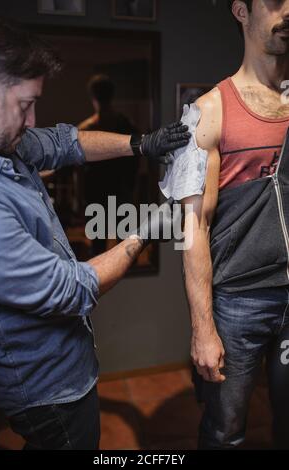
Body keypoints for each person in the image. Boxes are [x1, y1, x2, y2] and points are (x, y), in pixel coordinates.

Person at [0, 18, 190, 450]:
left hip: (63, 366)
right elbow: (72, 288)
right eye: (25, 104)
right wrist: (143, 232)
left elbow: (65, 143)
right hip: (47, 391)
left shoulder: (6, 142)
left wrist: (141, 142)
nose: (33, 119)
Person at [182, 0, 289, 449]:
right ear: (241, 11)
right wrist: (203, 327)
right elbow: (194, 228)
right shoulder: (210, 110)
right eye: (274, 1)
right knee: (225, 431)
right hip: (239, 303)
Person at [78, 74, 140, 255]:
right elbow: (135, 163)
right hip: (117, 192)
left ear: (93, 97)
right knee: (125, 249)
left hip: (100, 193)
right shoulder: (126, 124)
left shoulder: (86, 130)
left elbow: (80, 171)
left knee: (101, 248)